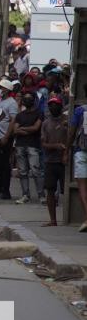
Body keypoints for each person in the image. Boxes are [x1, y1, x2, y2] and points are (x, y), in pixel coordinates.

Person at [7, 91, 44, 204]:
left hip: (33, 145)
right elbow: (15, 130)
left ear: (34, 100)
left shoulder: (39, 113)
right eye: (25, 98)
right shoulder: (20, 115)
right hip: (20, 145)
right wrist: (28, 129)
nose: (27, 100)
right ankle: (25, 194)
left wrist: (23, 129)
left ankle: (41, 195)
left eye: (29, 98)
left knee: (35, 170)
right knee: (22, 171)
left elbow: (36, 128)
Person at [67, 97, 87, 232]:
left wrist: (66, 150)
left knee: (82, 188)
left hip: (81, 151)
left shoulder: (80, 110)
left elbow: (72, 132)